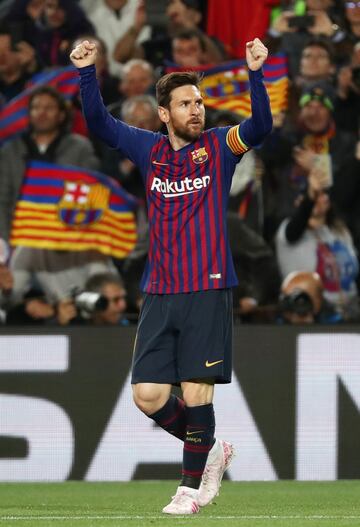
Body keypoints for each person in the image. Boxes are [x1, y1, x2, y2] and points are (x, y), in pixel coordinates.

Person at [70, 36, 272, 515]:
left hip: (207, 284)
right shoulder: (148, 149)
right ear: (164, 114)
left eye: (198, 102)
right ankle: (212, 450)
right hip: (159, 289)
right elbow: (98, 122)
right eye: (184, 104)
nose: (195, 110)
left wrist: (256, 74)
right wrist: (86, 71)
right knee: (148, 394)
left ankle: (188, 490)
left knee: (196, 390)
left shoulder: (221, 146)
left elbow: (261, 126)